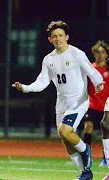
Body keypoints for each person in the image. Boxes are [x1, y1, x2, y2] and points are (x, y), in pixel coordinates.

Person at [12, 20, 104, 180]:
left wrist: (98, 83)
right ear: (50, 39)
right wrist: (25, 88)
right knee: (66, 140)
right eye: (54, 36)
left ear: (67, 37)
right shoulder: (49, 60)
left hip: (78, 102)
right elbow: (42, 82)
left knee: (64, 131)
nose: (58, 39)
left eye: (61, 35)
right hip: (61, 104)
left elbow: (91, 71)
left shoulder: (76, 54)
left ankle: (85, 149)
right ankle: (85, 172)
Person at [82, 40, 109, 168]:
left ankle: (106, 158)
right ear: (94, 54)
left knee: (106, 132)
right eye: (98, 53)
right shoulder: (90, 69)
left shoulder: (108, 70)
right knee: (88, 126)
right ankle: (86, 156)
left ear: (106, 55)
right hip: (92, 105)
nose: (100, 55)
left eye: (103, 53)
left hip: (106, 106)